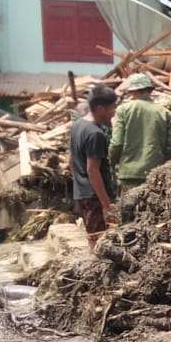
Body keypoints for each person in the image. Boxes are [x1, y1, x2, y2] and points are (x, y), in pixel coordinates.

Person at [107, 73, 171, 193]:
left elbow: (117, 143)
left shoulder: (123, 110)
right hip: (156, 174)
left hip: (129, 174)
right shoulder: (165, 113)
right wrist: (165, 167)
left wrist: (111, 163)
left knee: (128, 204)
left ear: (132, 91)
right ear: (150, 91)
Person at [70, 86, 118, 246]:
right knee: (100, 241)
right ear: (100, 108)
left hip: (82, 192)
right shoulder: (95, 134)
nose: (114, 113)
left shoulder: (78, 125)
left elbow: (72, 160)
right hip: (94, 196)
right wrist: (106, 204)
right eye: (112, 108)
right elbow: (93, 170)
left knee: (93, 237)